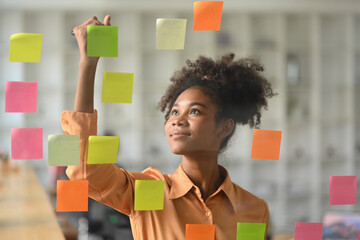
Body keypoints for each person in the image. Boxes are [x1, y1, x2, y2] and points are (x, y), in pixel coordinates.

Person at [61, 15, 275, 240]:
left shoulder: (255, 209)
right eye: (174, 112)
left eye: (194, 111)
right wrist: (88, 63)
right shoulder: (149, 192)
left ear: (224, 127)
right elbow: (84, 173)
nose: (176, 120)